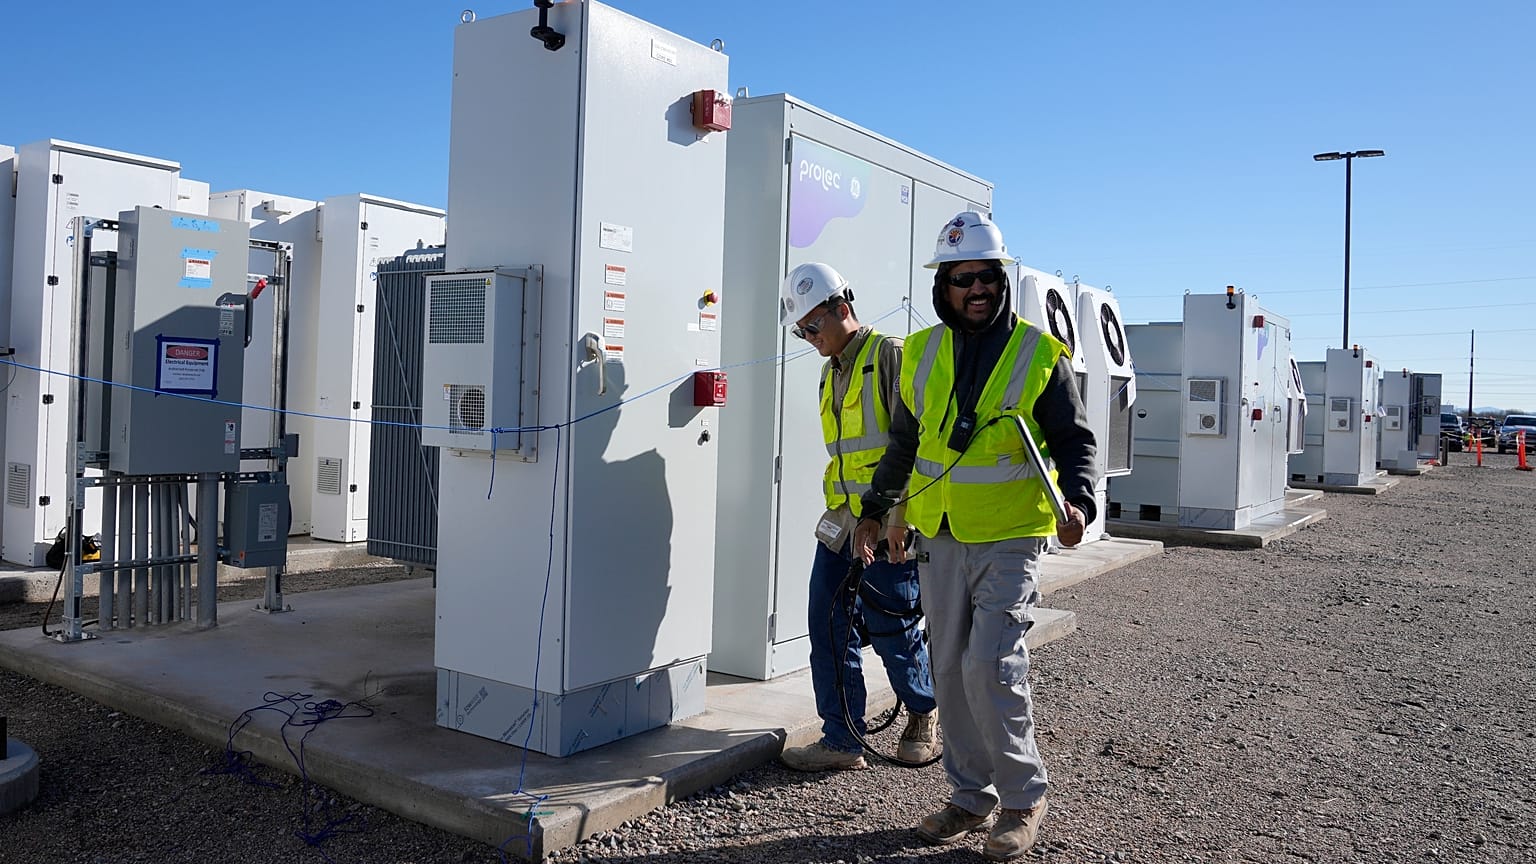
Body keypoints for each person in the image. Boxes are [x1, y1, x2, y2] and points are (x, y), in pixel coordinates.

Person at [852, 212, 1098, 860]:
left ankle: (1022, 799)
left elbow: (1074, 440)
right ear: (944, 286)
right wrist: (879, 510)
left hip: (1012, 533)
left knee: (991, 663)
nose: (975, 288)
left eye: (986, 276)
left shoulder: (1038, 354)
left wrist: (1080, 500)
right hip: (940, 533)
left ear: (1000, 279)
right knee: (950, 668)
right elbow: (905, 443)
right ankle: (969, 796)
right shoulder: (922, 352)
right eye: (962, 279)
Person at [776, 261, 939, 773]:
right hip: (841, 522)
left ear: (841, 308)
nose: (807, 337)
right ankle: (841, 740)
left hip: (890, 520)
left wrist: (900, 519)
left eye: (812, 326)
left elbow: (914, 445)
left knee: (892, 626)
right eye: (800, 330)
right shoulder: (832, 369)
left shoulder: (890, 355)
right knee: (827, 628)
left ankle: (921, 711)